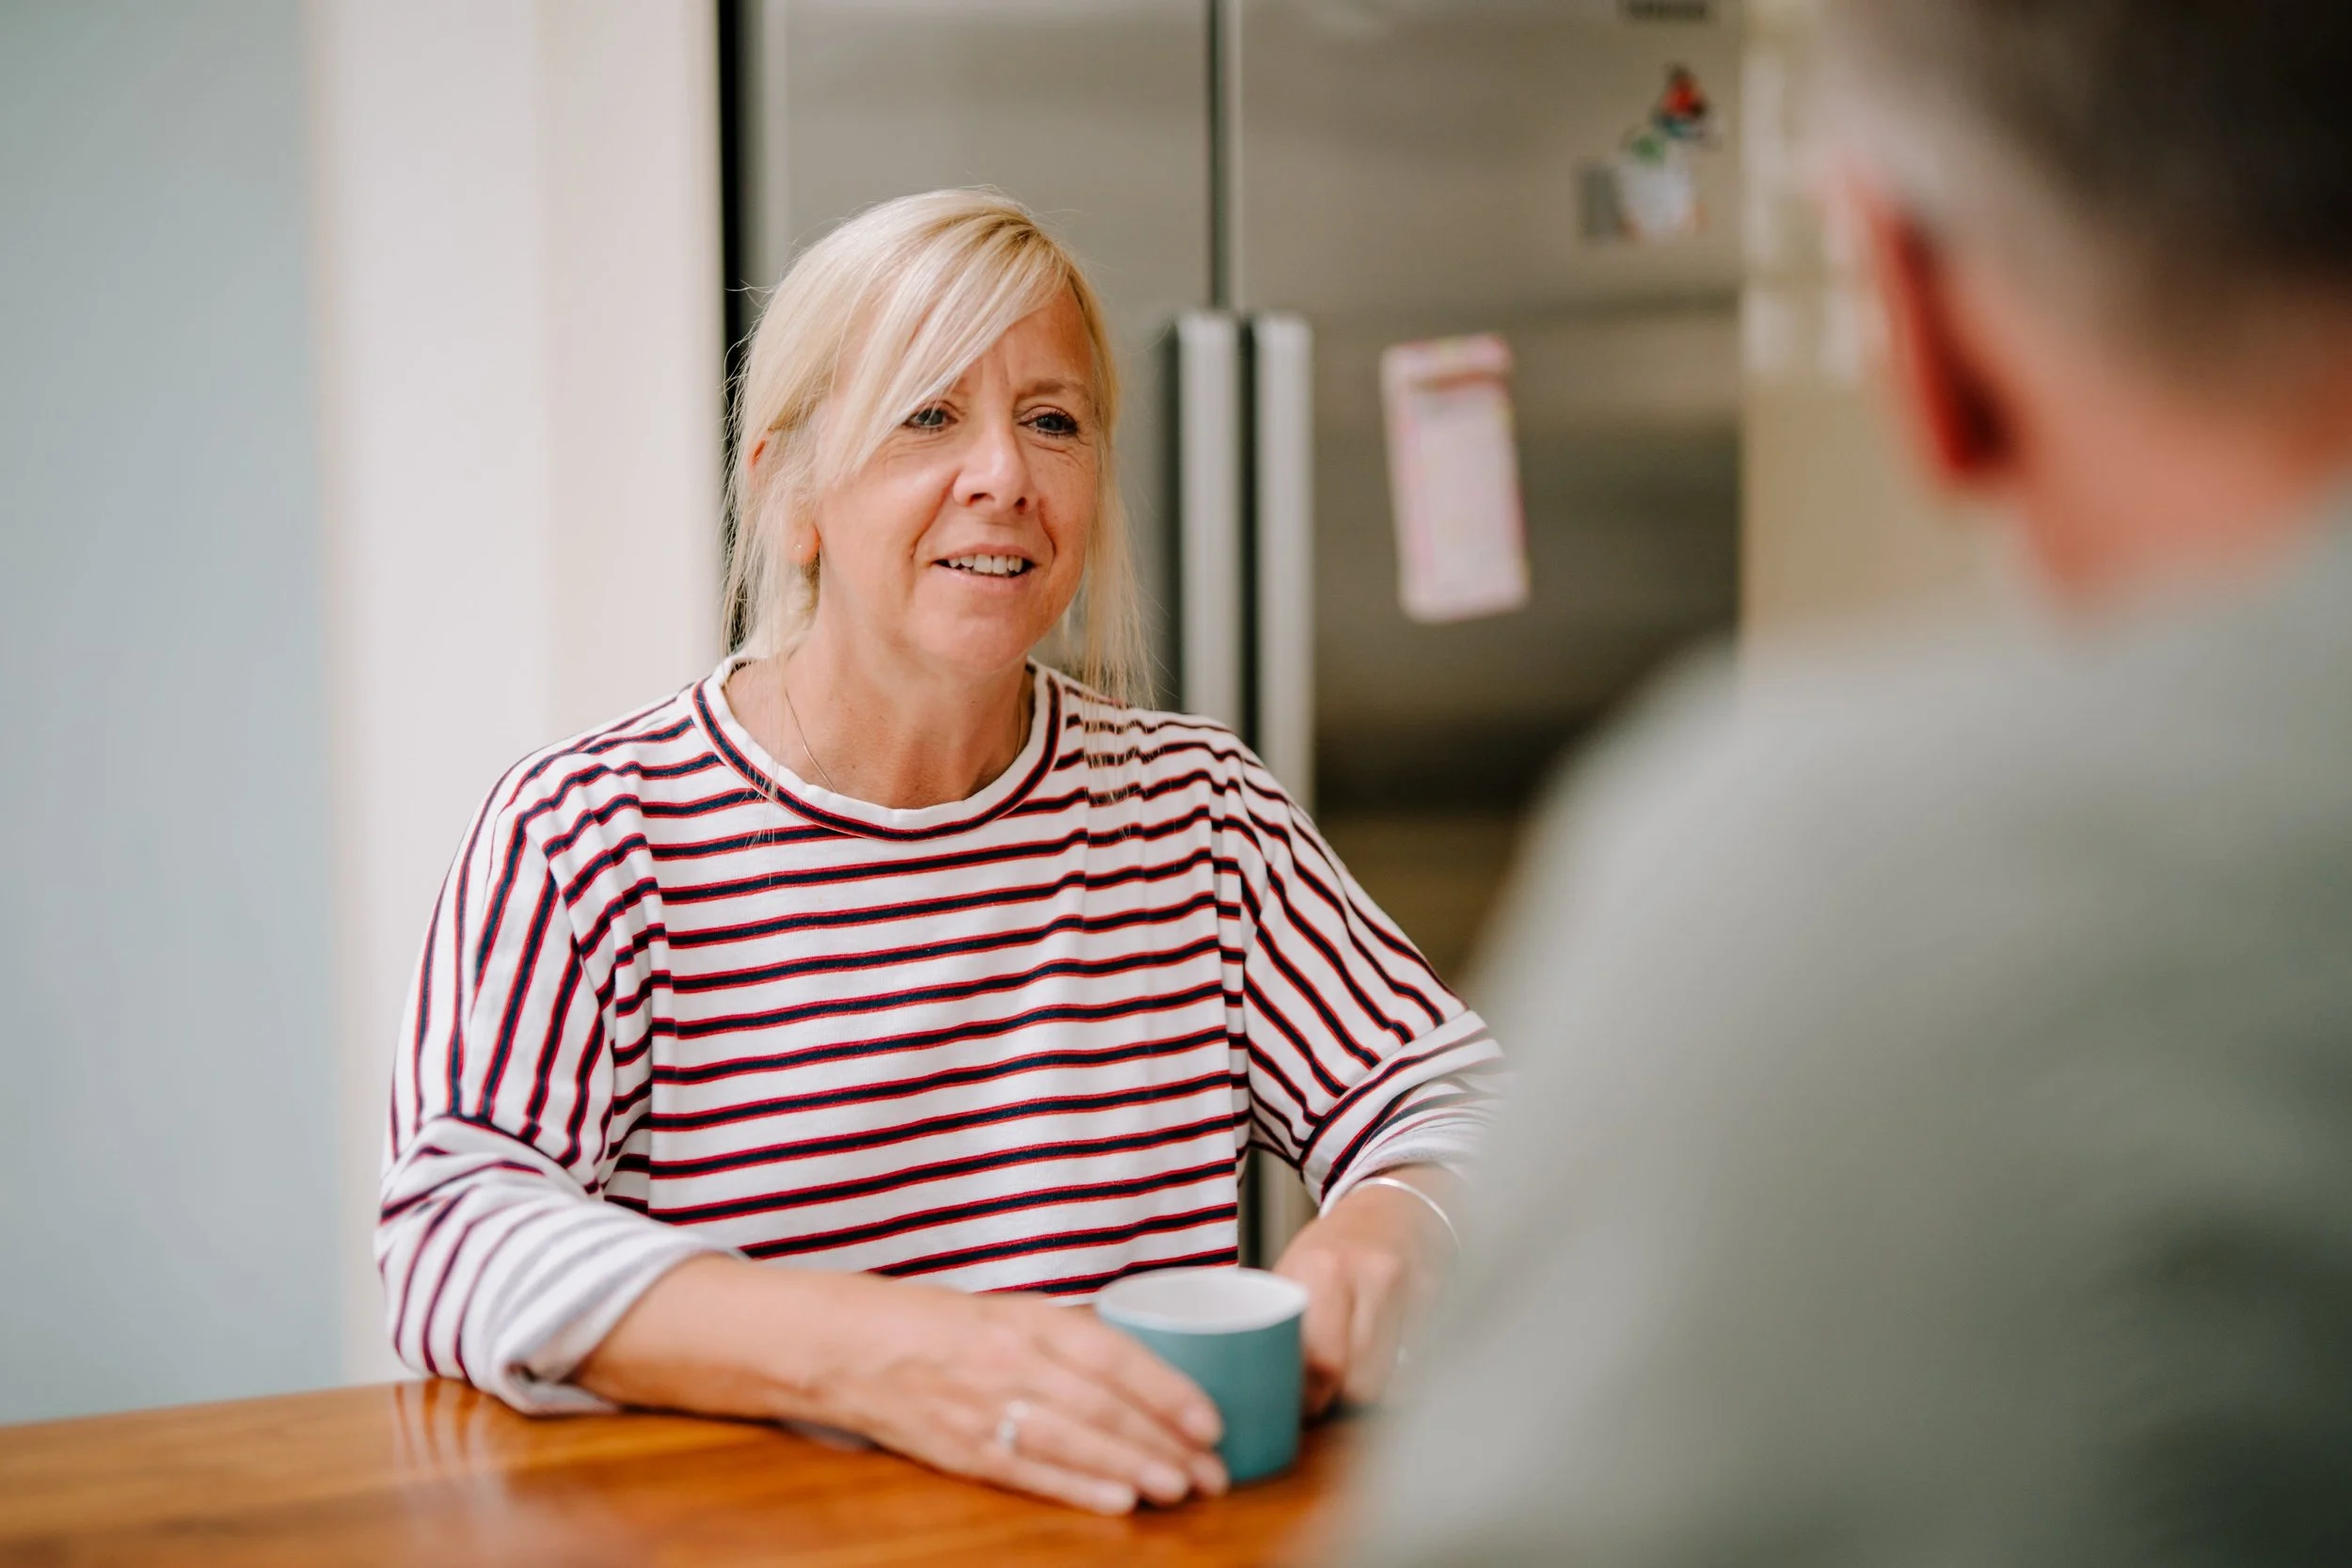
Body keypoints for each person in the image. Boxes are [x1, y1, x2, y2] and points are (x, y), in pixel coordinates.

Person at [1353, 1, 2352, 1561]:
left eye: (1052, 416)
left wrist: (1391, 1199)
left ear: (1921, 328)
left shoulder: (1836, 887)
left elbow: (1435, 1076)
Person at [376, 190, 1502, 1516]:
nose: (1005, 476)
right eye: (926, 414)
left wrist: (1387, 1228)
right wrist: (893, 1355)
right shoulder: (588, 835)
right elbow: (450, 1232)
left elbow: (1462, 1104)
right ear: (789, 493)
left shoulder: (1199, 819)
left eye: (1053, 420)